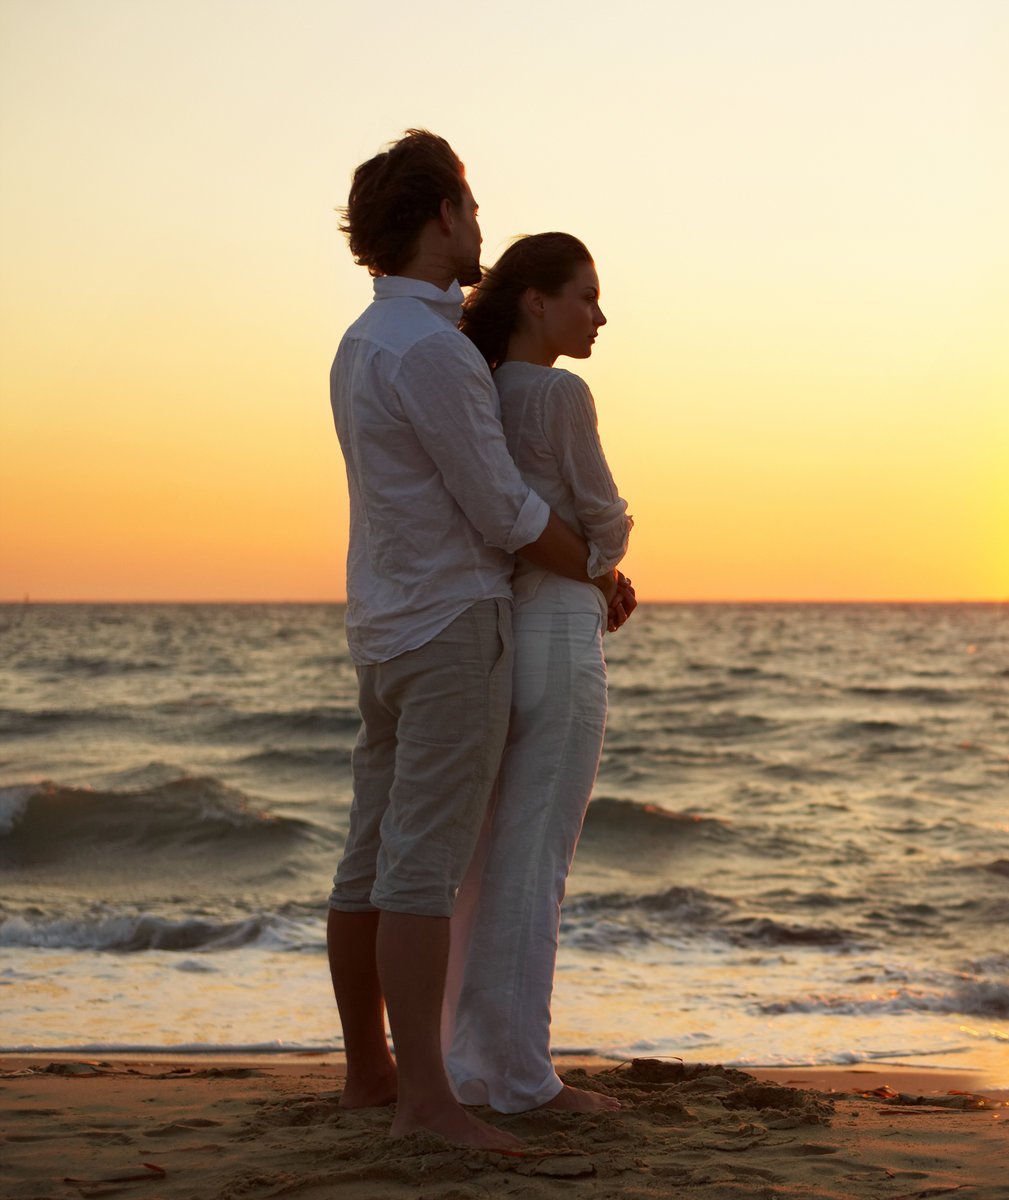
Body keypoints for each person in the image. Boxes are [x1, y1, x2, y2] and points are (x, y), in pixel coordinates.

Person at [326, 131, 620, 1150]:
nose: (482, 229)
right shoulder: (434, 352)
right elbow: (500, 508)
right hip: (453, 625)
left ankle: (371, 1074)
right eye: (472, 206)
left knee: (369, 861)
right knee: (425, 868)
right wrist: (598, 567)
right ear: (443, 214)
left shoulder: (365, 342)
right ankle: (427, 1101)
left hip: (382, 624)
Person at [444, 232, 635, 1114]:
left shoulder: (478, 390)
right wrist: (606, 564)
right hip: (560, 635)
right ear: (535, 300)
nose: (599, 315)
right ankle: (521, 1076)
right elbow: (604, 520)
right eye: (585, 296)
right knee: (535, 863)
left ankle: (472, 1063)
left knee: (489, 858)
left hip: (507, 631)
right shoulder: (561, 393)